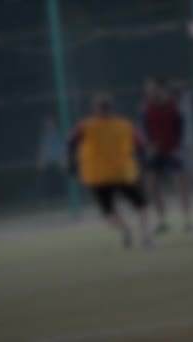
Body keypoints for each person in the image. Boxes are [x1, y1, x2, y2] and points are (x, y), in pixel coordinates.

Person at [68, 93, 153, 250]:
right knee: (142, 206)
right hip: (123, 173)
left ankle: (125, 229)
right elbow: (141, 144)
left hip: (98, 176)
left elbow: (71, 142)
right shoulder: (125, 124)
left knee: (108, 211)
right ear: (112, 108)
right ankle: (146, 237)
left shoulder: (86, 125)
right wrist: (143, 162)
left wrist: (72, 163)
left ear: (94, 109)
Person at [142, 76, 193, 234]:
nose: (150, 91)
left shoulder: (174, 106)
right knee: (151, 185)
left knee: (181, 183)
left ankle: (187, 221)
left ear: (162, 89)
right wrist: (150, 145)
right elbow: (145, 128)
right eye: (149, 89)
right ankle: (162, 221)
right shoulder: (146, 107)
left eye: (153, 88)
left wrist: (178, 147)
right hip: (155, 152)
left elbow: (182, 127)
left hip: (173, 150)